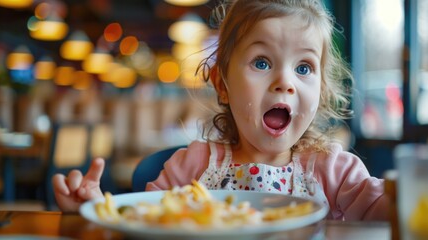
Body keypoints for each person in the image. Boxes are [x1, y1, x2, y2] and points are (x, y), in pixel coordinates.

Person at [53, 0, 389, 220]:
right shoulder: (193, 165)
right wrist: (93, 210)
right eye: (262, 62)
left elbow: (392, 215)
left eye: (303, 68)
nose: (285, 81)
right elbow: (143, 221)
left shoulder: (334, 170)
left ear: (322, 90)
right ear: (222, 85)